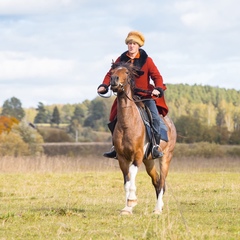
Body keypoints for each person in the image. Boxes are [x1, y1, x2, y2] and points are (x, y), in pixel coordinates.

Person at [97, 30, 169, 159]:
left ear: (139, 46)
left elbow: (157, 77)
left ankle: (155, 146)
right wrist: (104, 85)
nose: (131, 46)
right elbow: (110, 74)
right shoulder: (121, 59)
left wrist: (158, 88)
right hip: (125, 96)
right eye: (129, 43)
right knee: (114, 117)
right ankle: (115, 147)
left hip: (144, 96)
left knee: (154, 118)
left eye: (134, 43)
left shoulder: (147, 60)